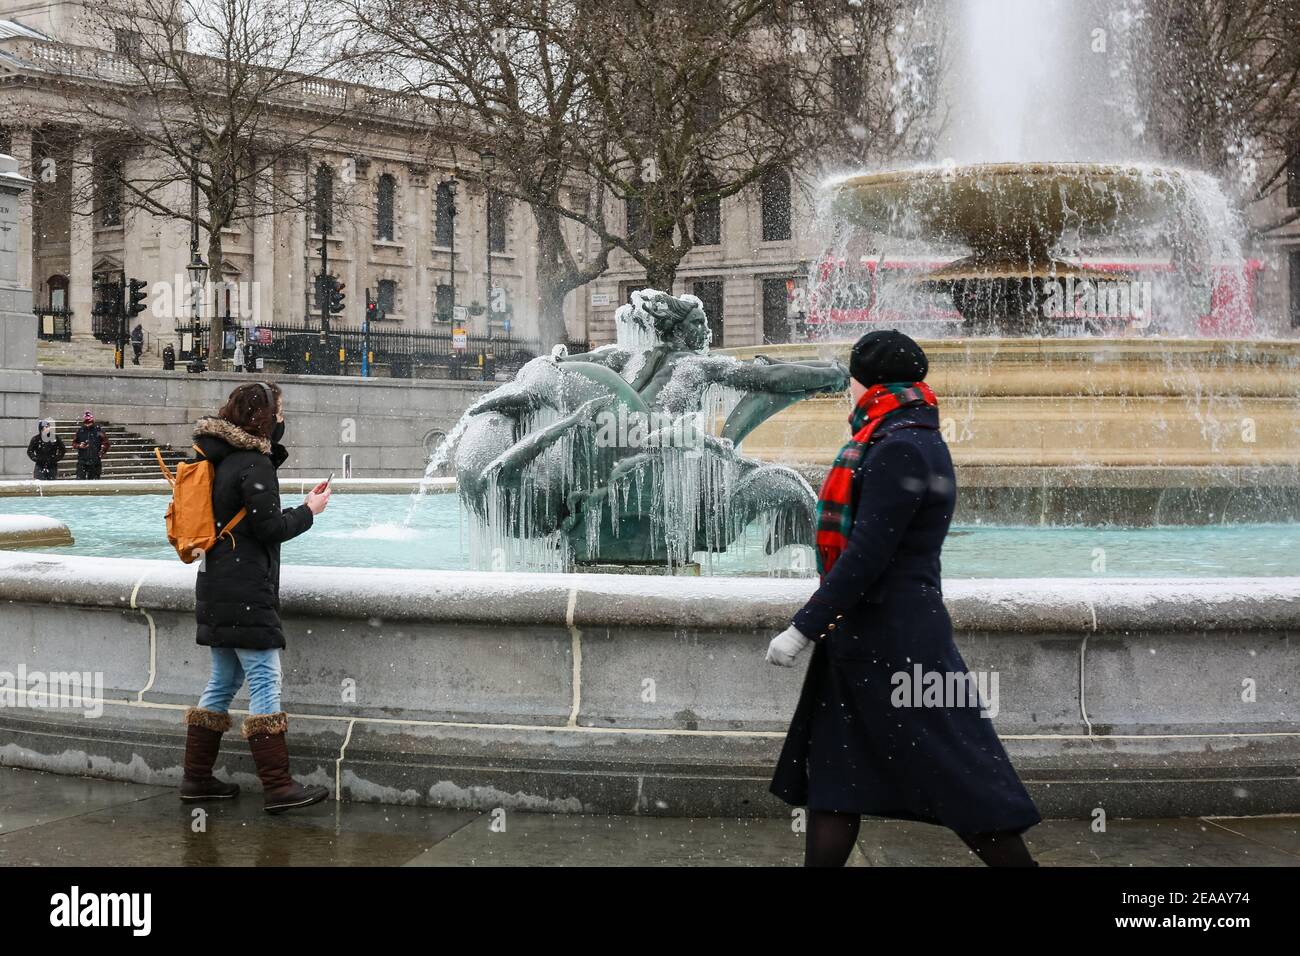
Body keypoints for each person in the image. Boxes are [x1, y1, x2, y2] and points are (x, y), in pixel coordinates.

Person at [767, 330, 1041, 867]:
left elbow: (867, 557)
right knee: (836, 777)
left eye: (850, 377)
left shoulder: (898, 446)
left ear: (864, 382)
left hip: (896, 642)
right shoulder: (910, 435)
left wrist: (802, 628)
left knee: (960, 775)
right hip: (866, 639)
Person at [180, 381, 332, 813]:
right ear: (264, 417)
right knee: (265, 681)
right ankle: (279, 787)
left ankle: (196, 780)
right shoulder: (253, 463)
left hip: (216, 583)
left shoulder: (216, 457)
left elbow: (244, 522)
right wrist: (309, 512)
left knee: (223, 681)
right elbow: (269, 529)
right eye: (279, 411)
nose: (283, 419)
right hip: (245, 590)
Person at [72, 410, 110, 479]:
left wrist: (101, 452)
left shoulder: (98, 431)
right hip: (82, 460)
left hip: (94, 460)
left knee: (93, 481)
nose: (87, 424)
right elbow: (74, 443)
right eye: (86, 423)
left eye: (89, 423)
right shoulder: (80, 431)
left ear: (92, 422)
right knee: (80, 480)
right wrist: (79, 446)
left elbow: (106, 443)